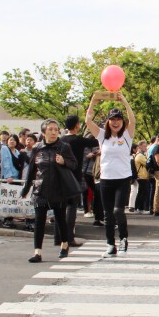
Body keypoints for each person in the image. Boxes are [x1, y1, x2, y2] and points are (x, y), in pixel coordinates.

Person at [85, 91, 136, 257]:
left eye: (118, 119)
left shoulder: (127, 136)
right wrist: (93, 100)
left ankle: (123, 239)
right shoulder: (102, 136)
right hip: (106, 179)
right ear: (108, 122)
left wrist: (125, 101)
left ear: (122, 122)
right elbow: (88, 120)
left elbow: (133, 119)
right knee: (107, 214)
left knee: (118, 211)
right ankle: (110, 244)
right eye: (112, 119)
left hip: (123, 179)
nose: (115, 122)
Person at [20, 119, 79, 262]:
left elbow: (74, 164)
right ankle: (37, 252)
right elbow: (32, 170)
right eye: (50, 129)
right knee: (39, 221)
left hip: (59, 189)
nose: (53, 132)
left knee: (60, 219)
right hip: (40, 189)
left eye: (55, 129)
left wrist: (63, 162)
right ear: (43, 132)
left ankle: (64, 244)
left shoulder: (64, 147)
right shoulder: (37, 148)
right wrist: (26, 188)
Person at [61, 114, 99, 247]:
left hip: (61, 176)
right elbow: (95, 141)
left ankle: (61, 237)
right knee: (72, 207)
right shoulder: (79, 140)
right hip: (75, 176)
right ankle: (70, 237)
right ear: (77, 125)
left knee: (62, 207)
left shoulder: (60, 140)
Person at [134, 141, 151, 214]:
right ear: (139, 147)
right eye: (144, 146)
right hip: (142, 176)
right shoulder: (140, 156)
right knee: (143, 193)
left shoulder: (141, 155)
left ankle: (138, 208)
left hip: (142, 176)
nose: (146, 147)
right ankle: (139, 208)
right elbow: (147, 163)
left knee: (141, 192)